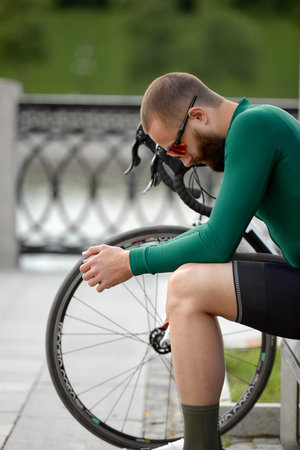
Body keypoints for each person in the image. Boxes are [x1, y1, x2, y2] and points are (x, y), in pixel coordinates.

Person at [79, 72, 300, 450]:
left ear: (198, 116)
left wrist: (131, 261)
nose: (186, 161)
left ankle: (199, 447)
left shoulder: (255, 125)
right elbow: (218, 238)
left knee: (185, 289)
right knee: (190, 277)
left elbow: (216, 243)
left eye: (178, 149)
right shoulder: (258, 124)